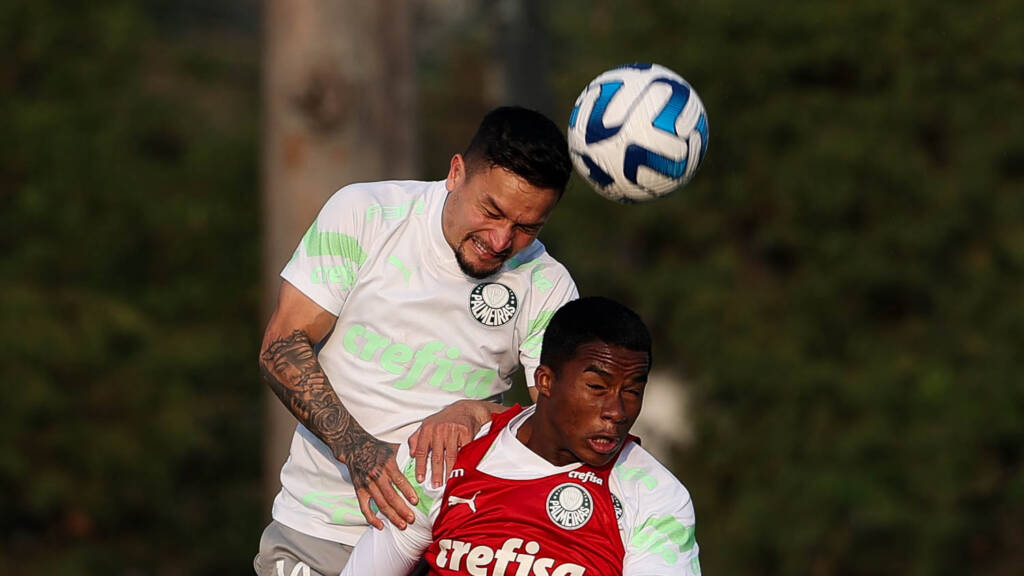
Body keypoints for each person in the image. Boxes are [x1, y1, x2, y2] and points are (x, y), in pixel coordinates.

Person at [255, 106, 579, 576]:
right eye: (491, 211)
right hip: (321, 532)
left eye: (527, 227)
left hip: (454, 545)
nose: (500, 240)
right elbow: (281, 345)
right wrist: (360, 452)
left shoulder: (547, 284)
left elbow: (560, 425)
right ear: (456, 173)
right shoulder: (366, 213)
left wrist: (475, 413)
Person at [340, 297, 702, 576]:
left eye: (633, 391)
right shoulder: (447, 456)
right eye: (596, 387)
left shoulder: (653, 495)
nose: (617, 412)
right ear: (545, 381)